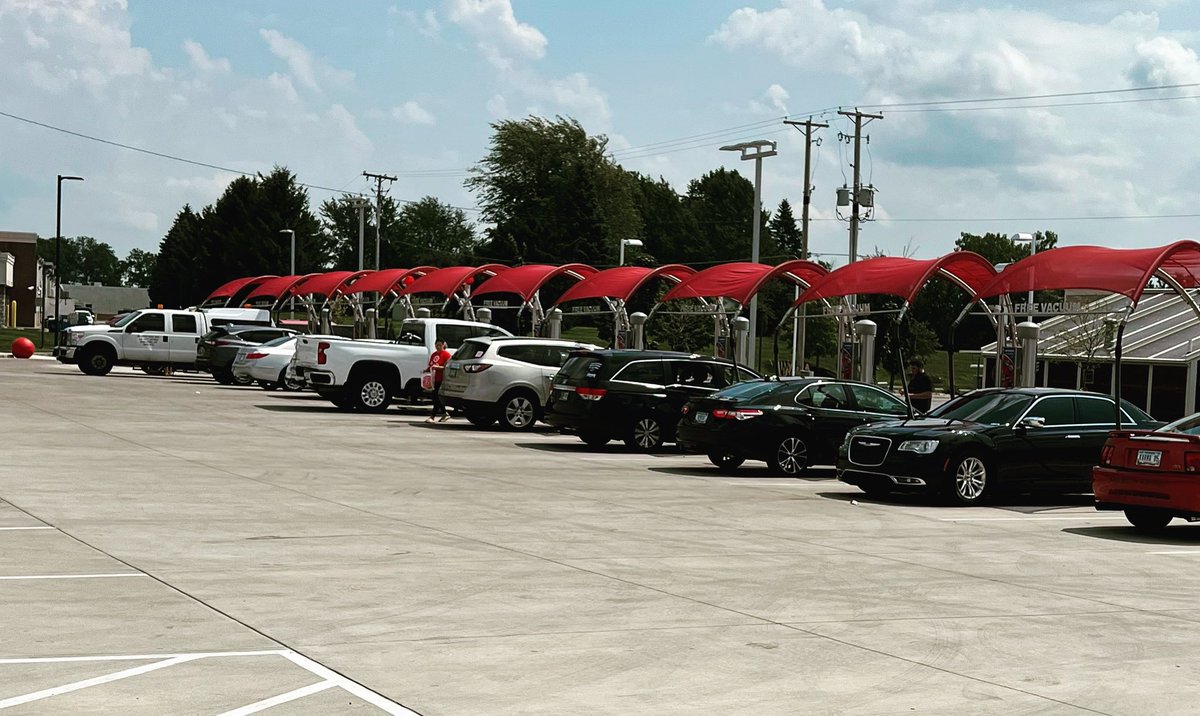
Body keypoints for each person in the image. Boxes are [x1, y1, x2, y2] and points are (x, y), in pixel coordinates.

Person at [426, 339, 452, 423]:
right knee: (435, 397)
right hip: (433, 379)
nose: (438, 347)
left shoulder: (446, 355)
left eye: (440, 345)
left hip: (441, 379)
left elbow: (447, 367)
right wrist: (426, 370)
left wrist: (438, 367)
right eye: (436, 345)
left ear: (443, 345)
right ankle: (443, 413)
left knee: (436, 397)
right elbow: (431, 365)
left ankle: (433, 416)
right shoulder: (434, 355)